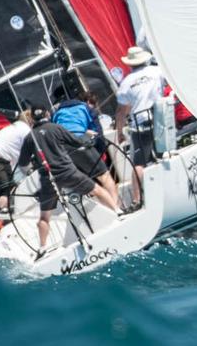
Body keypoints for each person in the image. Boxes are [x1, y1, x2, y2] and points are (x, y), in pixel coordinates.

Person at [16, 107, 120, 253]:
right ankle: (117, 212)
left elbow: (22, 163)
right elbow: (77, 142)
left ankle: (42, 248)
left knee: (44, 217)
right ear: (47, 114)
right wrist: (87, 137)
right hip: (68, 172)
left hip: (48, 179)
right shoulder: (56, 128)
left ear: (32, 118)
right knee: (97, 190)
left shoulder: (29, 137)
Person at [115, 46, 165, 207]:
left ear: (130, 64)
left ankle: (136, 200)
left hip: (140, 124)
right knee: (164, 154)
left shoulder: (126, 82)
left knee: (139, 163)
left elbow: (122, 111)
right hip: (160, 119)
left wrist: (120, 132)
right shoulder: (157, 71)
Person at [0, 107, 32, 212]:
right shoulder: (25, 130)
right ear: (31, 120)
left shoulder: (16, 127)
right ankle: (2, 217)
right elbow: (25, 160)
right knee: (6, 191)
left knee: (1, 191)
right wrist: (31, 171)